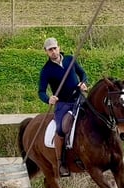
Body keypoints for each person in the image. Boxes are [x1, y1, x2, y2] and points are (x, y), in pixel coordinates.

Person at [38, 37, 88, 177]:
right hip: (62, 104)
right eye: (50, 50)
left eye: (55, 48)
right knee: (61, 128)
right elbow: (41, 92)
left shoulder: (70, 59)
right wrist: (49, 99)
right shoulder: (46, 70)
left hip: (79, 99)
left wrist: (83, 83)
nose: (53, 52)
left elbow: (83, 74)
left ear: (59, 47)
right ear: (46, 52)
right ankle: (61, 163)